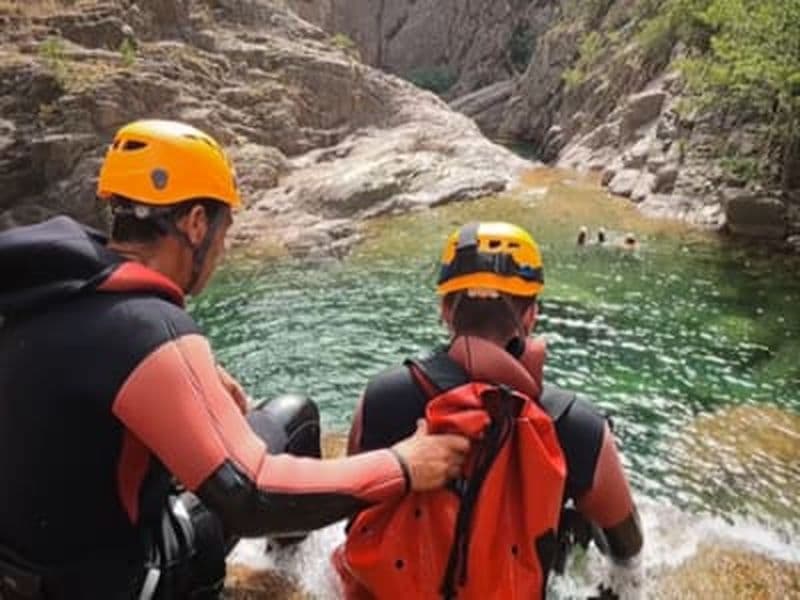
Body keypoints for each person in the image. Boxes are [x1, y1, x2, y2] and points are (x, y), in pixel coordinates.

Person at [0, 120, 469, 600]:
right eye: (225, 230)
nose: (223, 248)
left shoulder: (44, 287)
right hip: (109, 584)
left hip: (22, 566)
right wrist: (403, 464)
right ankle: (291, 569)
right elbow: (251, 495)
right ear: (197, 223)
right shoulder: (147, 330)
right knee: (293, 419)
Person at [334, 222, 643, 599]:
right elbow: (627, 549)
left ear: (446, 309)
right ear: (531, 315)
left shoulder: (384, 396)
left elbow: (354, 512)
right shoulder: (574, 423)